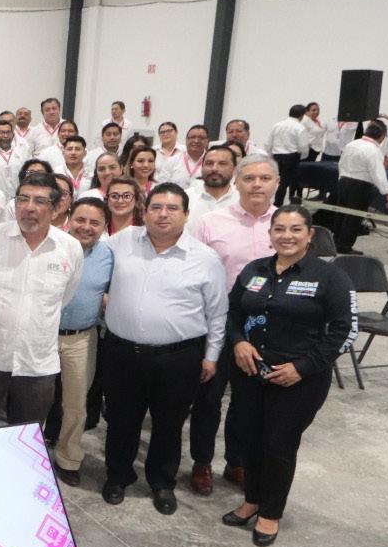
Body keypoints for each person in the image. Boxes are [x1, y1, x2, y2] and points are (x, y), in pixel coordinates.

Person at [222, 206, 357, 546]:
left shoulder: (330, 278)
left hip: (298, 380)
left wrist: (303, 367)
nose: (287, 236)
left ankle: (270, 512)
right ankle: (253, 499)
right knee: (250, 438)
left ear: (310, 235)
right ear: (270, 234)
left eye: (295, 229)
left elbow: (342, 331)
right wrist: (238, 342)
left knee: (278, 445)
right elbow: (232, 312)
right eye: (279, 229)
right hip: (250, 372)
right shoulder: (254, 270)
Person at [100, 184, 227, 515]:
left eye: (172, 209)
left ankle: (161, 482)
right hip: (122, 353)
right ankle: (117, 476)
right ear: (144, 211)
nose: (162, 214)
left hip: (178, 358)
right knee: (121, 420)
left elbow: (217, 313)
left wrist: (212, 356)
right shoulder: (121, 242)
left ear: (186, 214)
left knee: (169, 424)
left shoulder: (205, 258)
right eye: (156, 207)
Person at [187, 155, 279, 495]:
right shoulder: (211, 223)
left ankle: (236, 461)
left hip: (266, 327)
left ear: (277, 183)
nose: (257, 184)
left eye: (265, 178)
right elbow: (193, 271)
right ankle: (201, 462)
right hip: (217, 322)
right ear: (236, 182)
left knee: (248, 400)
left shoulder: (285, 224)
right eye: (249, 178)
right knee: (208, 398)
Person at [0, 173, 83, 432]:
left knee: (26, 439)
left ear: (55, 209)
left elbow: (64, 297)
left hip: (37, 364)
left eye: (40, 201)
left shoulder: (70, 248)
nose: (29, 207)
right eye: (23, 199)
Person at [50, 198, 113, 485]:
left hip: (82, 338)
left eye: (94, 222)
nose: (86, 227)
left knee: (76, 403)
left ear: (104, 226)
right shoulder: (51, 245)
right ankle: (29, 454)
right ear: (69, 218)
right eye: (81, 220)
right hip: (43, 335)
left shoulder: (108, 256)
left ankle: (68, 458)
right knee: (35, 399)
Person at [333, 119, 388, 254]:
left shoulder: (352, 144)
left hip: (343, 181)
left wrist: (341, 179)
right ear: (381, 136)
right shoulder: (374, 150)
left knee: (341, 214)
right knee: (354, 217)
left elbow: (341, 163)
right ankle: (344, 246)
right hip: (360, 185)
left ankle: (335, 242)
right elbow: (378, 173)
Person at [186, 145, 239, 227]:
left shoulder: (242, 199)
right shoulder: (186, 197)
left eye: (222, 164)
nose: (214, 169)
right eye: (209, 163)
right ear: (202, 167)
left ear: (234, 169)